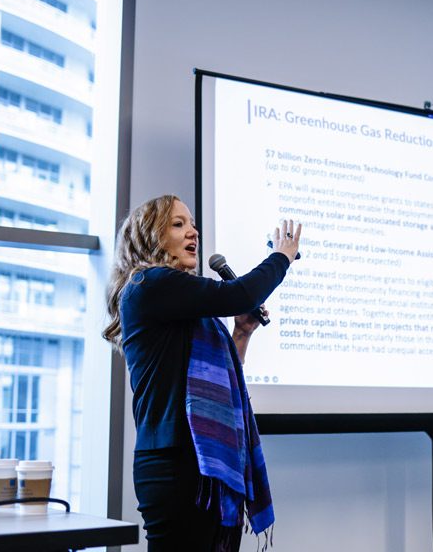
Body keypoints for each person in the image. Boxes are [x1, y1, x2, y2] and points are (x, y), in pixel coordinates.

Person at [103, 194, 300, 552]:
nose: (193, 232)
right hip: (175, 463)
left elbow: (223, 385)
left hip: (202, 465)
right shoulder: (149, 285)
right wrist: (282, 256)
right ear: (150, 235)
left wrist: (241, 333)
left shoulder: (185, 307)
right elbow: (239, 293)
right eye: (178, 224)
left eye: (192, 224)